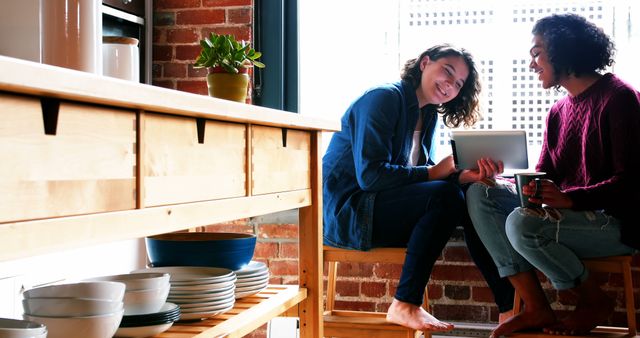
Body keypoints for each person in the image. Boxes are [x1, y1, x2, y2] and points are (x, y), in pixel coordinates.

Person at [466, 13, 640, 337]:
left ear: (563, 49)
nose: (532, 64)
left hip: (614, 222)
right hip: (571, 215)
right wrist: (499, 179)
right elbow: (548, 176)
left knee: (521, 222)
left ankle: (594, 301)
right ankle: (536, 307)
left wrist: (571, 199)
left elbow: (631, 182)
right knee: (480, 192)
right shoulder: (558, 112)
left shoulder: (620, 98)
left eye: (536, 53)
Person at [322, 44, 515, 332]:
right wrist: (438, 173)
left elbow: (419, 177)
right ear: (425, 63)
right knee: (446, 195)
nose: (450, 84)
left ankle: (508, 308)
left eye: (459, 83)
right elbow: (371, 178)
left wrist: (464, 176)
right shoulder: (383, 99)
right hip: (352, 212)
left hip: (382, 207)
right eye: (447, 71)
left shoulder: (428, 116)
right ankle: (404, 303)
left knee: (471, 195)